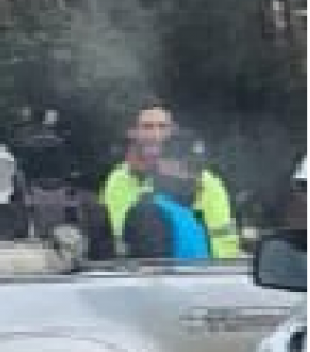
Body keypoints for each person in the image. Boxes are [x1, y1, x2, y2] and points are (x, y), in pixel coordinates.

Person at [100, 102, 241, 257]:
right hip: (129, 270)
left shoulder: (204, 181)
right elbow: (111, 238)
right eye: (147, 127)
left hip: (199, 269)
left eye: (162, 127)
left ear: (173, 131)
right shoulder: (117, 180)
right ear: (133, 132)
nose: (156, 135)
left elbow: (224, 244)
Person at [120, 136, 215, 259]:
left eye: (199, 168)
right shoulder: (149, 212)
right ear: (164, 165)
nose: (195, 176)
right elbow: (152, 270)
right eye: (190, 166)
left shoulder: (196, 214)